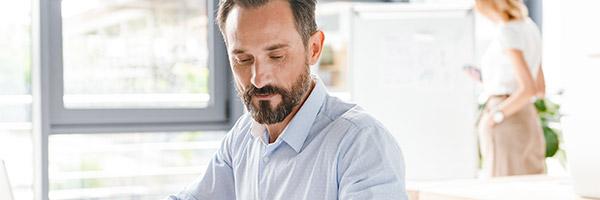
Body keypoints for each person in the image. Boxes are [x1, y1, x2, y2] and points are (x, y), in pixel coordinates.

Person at [167, 0, 407, 199]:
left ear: (314, 48)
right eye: (243, 59)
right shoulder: (244, 137)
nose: (258, 79)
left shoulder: (360, 143)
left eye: (276, 56)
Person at [465, 0, 546, 177]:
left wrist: (495, 116)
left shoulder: (507, 30)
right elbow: (540, 88)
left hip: (506, 116)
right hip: (527, 117)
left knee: (502, 188)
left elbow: (529, 89)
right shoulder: (529, 26)